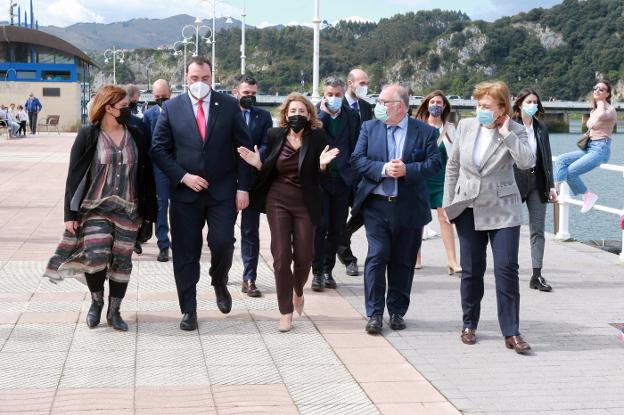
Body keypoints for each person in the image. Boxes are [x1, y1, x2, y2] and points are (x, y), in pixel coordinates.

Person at [151, 56, 253, 331]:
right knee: (185, 252)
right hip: (185, 194)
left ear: (212, 77)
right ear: (186, 79)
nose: (200, 83)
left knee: (222, 243)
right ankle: (189, 309)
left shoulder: (229, 106)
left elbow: (245, 150)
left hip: (222, 192)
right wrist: (183, 176)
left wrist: (243, 187)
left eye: (205, 78)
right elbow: (158, 150)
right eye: (194, 79)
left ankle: (219, 280)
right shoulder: (172, 108)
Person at [43, 85, 157, 331]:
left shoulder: (136, 133)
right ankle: (96, 302)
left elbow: (146, 174)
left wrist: (150, 215)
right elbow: (73, 176)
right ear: (109, 108)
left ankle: (114, 311)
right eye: (125, 107)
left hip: (129, 208)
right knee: (95, 256)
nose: (130, 111)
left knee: (122, 261)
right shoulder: (88, 135)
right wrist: (69, 214)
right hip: (95, 207)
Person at [443, 80, 535, 354]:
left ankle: (512, 332)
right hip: (468, 207)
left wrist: (507, 134)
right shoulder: (466, 126)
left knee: (506, 270)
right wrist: (449, 205)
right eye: (478, 104)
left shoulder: (515, 130)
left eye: (486, 106)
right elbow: (454, 166)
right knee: (471, 271)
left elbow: (527, 162)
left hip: (503, 209)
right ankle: (469, 324)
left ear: (501, 108)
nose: (480, 109)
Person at [238, 93, 339, 332]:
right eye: (292, 111)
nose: (296, 115)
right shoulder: (275, 136)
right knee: (281, 256)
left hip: (306, 201)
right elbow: (270, 169)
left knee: (305, 256)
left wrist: (323, 165)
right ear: (285, 114)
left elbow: (323, 177)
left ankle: (298, 291)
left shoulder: (318, 137)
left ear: (309, 115)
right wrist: (258, 164)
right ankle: (285, 311)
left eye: (301, 112)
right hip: (278, 200)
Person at [351, 84, 441, 334]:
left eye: (383, 102)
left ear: (399, 106)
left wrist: (407, 170)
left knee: (403, 261)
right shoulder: (369, 128)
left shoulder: (425, 132)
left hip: (409, 207)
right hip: (377, 206)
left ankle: (397, 311)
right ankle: (375, 313)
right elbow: (357, 160)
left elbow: (434, 164)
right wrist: (382, 169)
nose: (378, 106)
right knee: (377, 256)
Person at [312, 77, 360, 291]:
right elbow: (311, 139)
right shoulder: (314, 114)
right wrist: (322, 115)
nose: (333, 98)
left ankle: (328, 270)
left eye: (338, 95)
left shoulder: (352, 116)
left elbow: (356, 144)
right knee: (319, 227)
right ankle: (317, 272)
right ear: (324, 95)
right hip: (320, 180)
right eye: (329, 95)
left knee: (336, 229)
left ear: (344, 94)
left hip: (342, 180)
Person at [512, 89, 557, 292]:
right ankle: (508, 268)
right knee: (509, 228)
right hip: (514, 181)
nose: (532, 105)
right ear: (520, 103)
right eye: (529, 101)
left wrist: (551, 186)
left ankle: (536, 275)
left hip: (537, 183)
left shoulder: (541, 128)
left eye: (535, 102)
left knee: (537, 230)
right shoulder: (511, 127)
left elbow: (546, 159)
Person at [232, 74, 273, 297]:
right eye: (246, 93)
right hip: (228, 181)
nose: (250, 97)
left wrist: (256, 157)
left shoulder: (263, 116)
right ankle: (220, 271)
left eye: (253, 94)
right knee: (223, 234)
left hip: (254, 181)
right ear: (235, 93)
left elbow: (268, 143)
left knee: (250, 232)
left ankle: (249, 278)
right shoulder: (226, 114)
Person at [413, 91, 461, 275]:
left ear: (444, 106)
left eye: (439, 102)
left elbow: (457, 156)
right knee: (418, 219)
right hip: (422, 177)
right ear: (426, 105)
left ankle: (452, 260)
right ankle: (416, 257)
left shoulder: (450, 129)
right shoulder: (418, 127)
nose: (435, 105)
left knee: (446, 218)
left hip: (443, 179)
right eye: (432, 102)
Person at [554, 81, 617, 213]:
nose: (597, 91)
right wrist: (596, 108)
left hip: (601, 150)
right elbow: (589, 124)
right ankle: (556, 189)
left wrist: (599, 102)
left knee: (571, 171)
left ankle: (588, 195)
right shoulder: (594, 109)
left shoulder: (610, 110)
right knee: (561, 159)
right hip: (590, 148)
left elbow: (599, 117)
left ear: (607, 94)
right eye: (595, 88)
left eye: (601, 89)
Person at [337, 68, 374, 276]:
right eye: (361, 83)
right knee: (340, 215)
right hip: (342, 172)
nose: (365, 87)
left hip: (363, 171)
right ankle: (347, 257)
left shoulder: (367, 108)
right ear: (350, 83)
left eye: (366, 83)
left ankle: (342, 237)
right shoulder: (335, 105)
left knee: (364, 212)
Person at [142, 79, 173, 262]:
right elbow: (147, 144)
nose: (161, 99)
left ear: (171, 93)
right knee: (161, 206)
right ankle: (163, 244)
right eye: (157, 97)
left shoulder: (180, 111)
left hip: (179, 167)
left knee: (180, 207)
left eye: (165, 96)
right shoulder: (149, 115)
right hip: (159, 168)